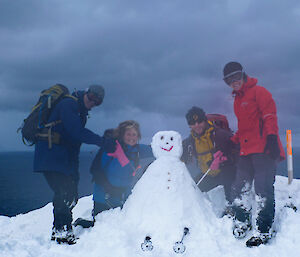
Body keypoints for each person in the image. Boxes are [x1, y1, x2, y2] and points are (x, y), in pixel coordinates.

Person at [33, 84, 116, 245]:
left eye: (97, 102)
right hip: (50, 156)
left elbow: (74, 143)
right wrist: (103, 142)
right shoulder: (68, 104)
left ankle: (61, 230)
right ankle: (62, 230)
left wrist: (74, 172)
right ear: (86, 93)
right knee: (63, 193)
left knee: (70, 194)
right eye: (91, 97)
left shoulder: (81, 114)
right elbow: (76, 132)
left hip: (63, 159)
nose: (92, 102)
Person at [222, 61, 285, 247]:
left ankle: (263, 230)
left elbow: (269, 116)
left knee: (263, 190)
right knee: (239, 187)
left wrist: (272, 137)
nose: (233, 81)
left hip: (264, 149)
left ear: (243, 75)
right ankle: (242, 222)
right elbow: (244, 127)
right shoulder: (237, 100)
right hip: (245, 151)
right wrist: (232, 142)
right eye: (229, 79)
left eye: (236, 76)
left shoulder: (259, 92)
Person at [89, 120, 153, 221]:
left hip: (121, 197)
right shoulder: (111, 148)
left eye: (134, 135)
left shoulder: (138, 150)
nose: (131, 138)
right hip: (104, 197)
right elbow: (97, 170)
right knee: (103, 227)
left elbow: (156, 149)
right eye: (128, 134)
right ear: (122, 135)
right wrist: (108, 188)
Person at [181, 106, 237, 210]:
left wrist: (223, 161)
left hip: (226, 172)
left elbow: (238, 154)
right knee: (193, 190)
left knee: (229, 190)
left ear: (205, 121)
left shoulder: (221, 135)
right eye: (193, 123)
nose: (197, 125)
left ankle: (232, 210)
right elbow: (178, 156)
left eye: (200, 121)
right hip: (208, 174)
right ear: (189, 125)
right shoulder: (190, 141)